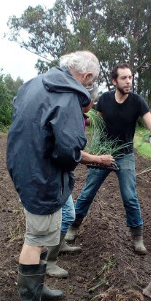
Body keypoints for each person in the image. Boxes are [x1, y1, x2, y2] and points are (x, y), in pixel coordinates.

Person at [7, 50, 109, 301]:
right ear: (87, 76)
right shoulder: (66, 97)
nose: (90, 87)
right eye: (93, 81)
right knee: (36, 237)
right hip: (41, 174)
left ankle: (38, 289)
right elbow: (68, 150)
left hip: (26, 167)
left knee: (41, 234)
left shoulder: (34, 83)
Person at [65, 63, 151, 255]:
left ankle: (137, 237)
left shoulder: (138, 102)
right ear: (114, 81)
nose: (128, 81)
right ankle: (72, 228)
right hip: (104, 153)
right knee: (88, 192)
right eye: (124, 78)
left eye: (130, 77)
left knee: (130, 197)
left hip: (125, 155)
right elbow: (96, 123)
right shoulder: (105, 99)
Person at [45, 85, 110, 277]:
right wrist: (97, 159)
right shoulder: (69, 117)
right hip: (52, 174)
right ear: (86, 100)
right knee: (64, 215)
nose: (93, 105)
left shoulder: (78, 116)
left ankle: (60, 245)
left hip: (61, 173)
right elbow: (70, 151)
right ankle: (49, 261)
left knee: (68, 213)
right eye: (92, 101)